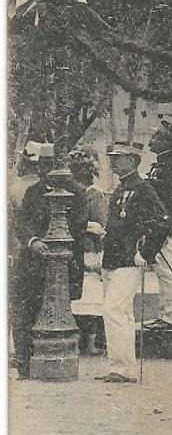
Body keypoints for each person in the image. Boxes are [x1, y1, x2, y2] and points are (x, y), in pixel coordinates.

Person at [11, 143, 88, 379]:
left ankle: (56, 362)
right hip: (33, 261)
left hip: (64, 263)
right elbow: (21, 223)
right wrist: (33, 241)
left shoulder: (77, 192)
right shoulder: (34, 191)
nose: (47, 171)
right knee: (25, 310)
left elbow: (79, 227)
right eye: (43, 166)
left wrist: (59, 247)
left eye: (51, 165)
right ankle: (25, 362)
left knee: (59, 313)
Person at [97, 142, 171, 384]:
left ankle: (122, 368)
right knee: (121, 313)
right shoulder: (120, 189)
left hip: (129, 260)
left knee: (114, 310)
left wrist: (147, 253)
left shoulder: (142, 189)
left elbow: (163, 223)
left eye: (118, 158)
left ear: (133, 160)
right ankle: (121, 367)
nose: (113, 162)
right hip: (113, 259)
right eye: (112, 157)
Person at [144, 115, 172, 333]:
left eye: (156, 136)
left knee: (169, 272)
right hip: (161, 225)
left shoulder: (169, 166)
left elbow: (169, 202)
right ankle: (164, 314)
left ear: (165, 140)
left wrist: (164, 225)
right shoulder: (160, 163)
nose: (151, 139)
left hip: (167, 226)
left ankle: (171, 316)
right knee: (163, 271)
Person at [69, 147, 108, 356]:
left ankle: (90, 342)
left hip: (90, 248)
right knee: (76, 296)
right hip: (75, 248)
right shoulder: (71, 193)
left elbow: (100, 223)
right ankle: (77, 340)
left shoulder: (95, 195)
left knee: (91, 296)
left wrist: (85, 227)